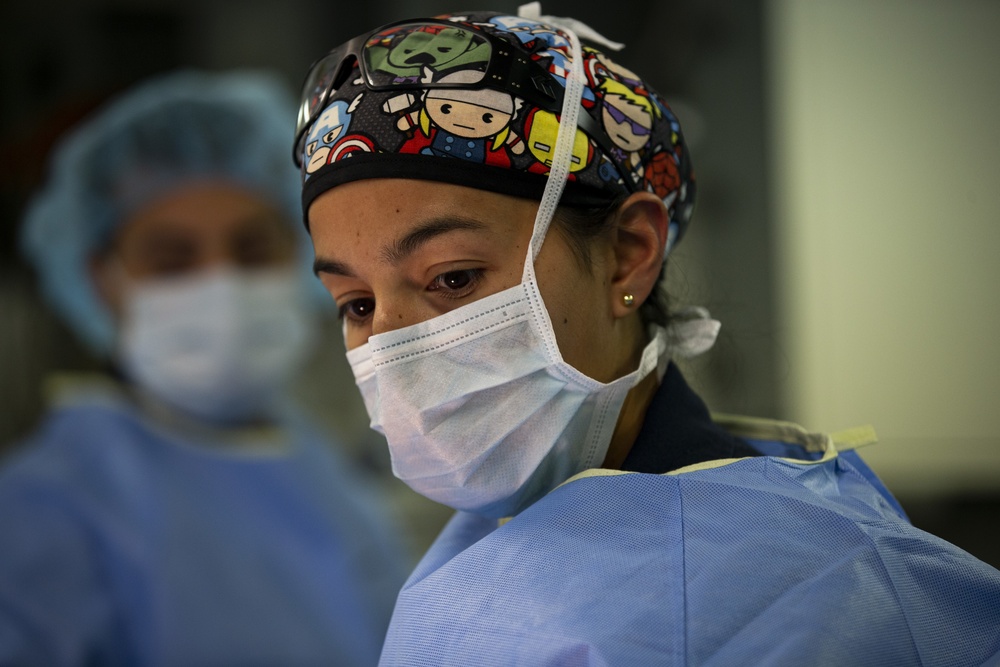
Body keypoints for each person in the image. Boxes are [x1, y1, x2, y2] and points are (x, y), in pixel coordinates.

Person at [293, 5, 1000, 666]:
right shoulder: (490, 538)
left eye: (453, 279)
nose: (394, 347)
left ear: (628, 253)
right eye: (355, 303)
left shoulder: (833, 586)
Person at [1, 70, 409, 666]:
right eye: (172, 260)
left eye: (252, 250)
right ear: (101, 280)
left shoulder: (310, 459)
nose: (221, 283)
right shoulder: (51, 506)